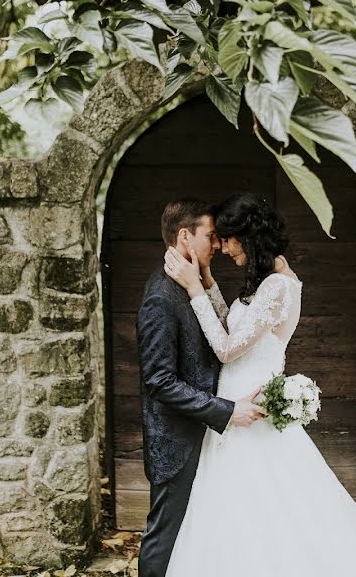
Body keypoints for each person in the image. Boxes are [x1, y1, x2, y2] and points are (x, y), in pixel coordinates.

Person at [160, 193, 356, 577]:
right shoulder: (267, 282)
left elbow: (227, 349)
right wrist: (209, 283)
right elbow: (236, 327)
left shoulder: (279, 286)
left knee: (269, 508)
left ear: (249, 237)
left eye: (228, 239)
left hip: (251, 414)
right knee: (234, 510)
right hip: (234, 408)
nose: (223, 248)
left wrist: (194, 289)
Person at [135, 199, 266, 577]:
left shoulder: (186, 285)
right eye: (210, 236)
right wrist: (226, 410)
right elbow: (159, 381)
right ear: (184, 237)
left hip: (200, 434)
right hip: (176, 440)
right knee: (165, 537)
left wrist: (205, 281)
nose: (217, 244)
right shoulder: (161, 297)